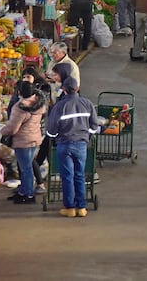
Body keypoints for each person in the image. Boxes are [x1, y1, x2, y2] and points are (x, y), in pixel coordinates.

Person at [45, 77, 99, 218]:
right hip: (81, 145)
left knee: (67, 176)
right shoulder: (87, 104)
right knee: (80, 175)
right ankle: (81, 207)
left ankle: (69, 207)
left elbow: (51, 129)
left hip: (64, 144)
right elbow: (94, 126)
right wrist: (88, 136)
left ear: (63, 89)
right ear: (77, 88)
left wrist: (54, 137)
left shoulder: (59, 106)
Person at [2, 81, 47, 205]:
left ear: (20, 92)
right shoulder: (39, 103)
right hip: (34, 138)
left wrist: (2, 130)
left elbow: (13, 128)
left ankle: (28, 194)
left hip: (23, 141)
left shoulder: (20, 107)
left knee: (26, 168)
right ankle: (23, 191)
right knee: (27, 166)